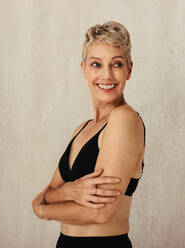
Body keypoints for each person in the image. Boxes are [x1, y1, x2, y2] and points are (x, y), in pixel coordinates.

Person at [32, 21, 146, 248]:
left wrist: (42, 210)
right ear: (83, 68)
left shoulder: (124, 119)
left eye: (116, 64)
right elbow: (51, 191)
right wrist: (68, 191)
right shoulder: (83, 129)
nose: (106, 75)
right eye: (96, 64)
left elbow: (100, 213)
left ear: (129, 70)